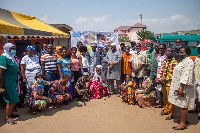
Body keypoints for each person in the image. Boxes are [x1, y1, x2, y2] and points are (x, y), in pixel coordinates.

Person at [168, 46, 195, 130]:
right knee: (181, 103)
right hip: (180, 86)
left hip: (184, 87)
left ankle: (182, 124)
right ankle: (185, 119)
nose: (181, 54)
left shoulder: (189, 62)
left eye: (183, 52)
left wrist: (181, 87)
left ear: (187, 53)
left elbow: (186, 75)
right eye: (180, 52)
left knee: (183, 104)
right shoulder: (183, 61)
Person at [0, 43, 20, 124]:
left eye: (14, 48)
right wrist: (1, 87)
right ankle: (7, 117)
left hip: (12, 82)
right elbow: (0, 74)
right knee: (12, 100)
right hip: (7, 82)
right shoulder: (3, 58)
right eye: (12, 48)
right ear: (7, 49)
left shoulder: (11, 58)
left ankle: (10, 114)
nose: (13, 50)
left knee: (12, 99)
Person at [160, 48, 178, 120]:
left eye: (170, 51)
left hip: (170, 83)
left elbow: (174, 73)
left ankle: (171, 113)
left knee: (170, 98)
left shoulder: (175, 62)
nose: (168, 52)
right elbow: (162, 70)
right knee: (165, 98)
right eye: (167, 51)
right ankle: (166, 109)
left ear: (172, 52)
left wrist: (166, 78)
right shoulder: (165, 61)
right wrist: (161, 77)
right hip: (164, 83)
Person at [155, 44, 167, 108]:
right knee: (159, 89)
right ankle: (161, 102)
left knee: (164, 90)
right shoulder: (158, 57)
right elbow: (158, 67)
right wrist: (156, 77)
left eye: (162, 48)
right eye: (159, 48)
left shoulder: (166, 57)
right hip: (158, 75)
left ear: (164, 49)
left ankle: (165, 103)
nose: (160, 49)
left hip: (164, 76)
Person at [191, 44, 200, 120]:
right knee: (196, 97)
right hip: (196, 81)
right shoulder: (197, 58)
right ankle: (196, 109)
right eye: (198, 49)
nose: (199, 50)